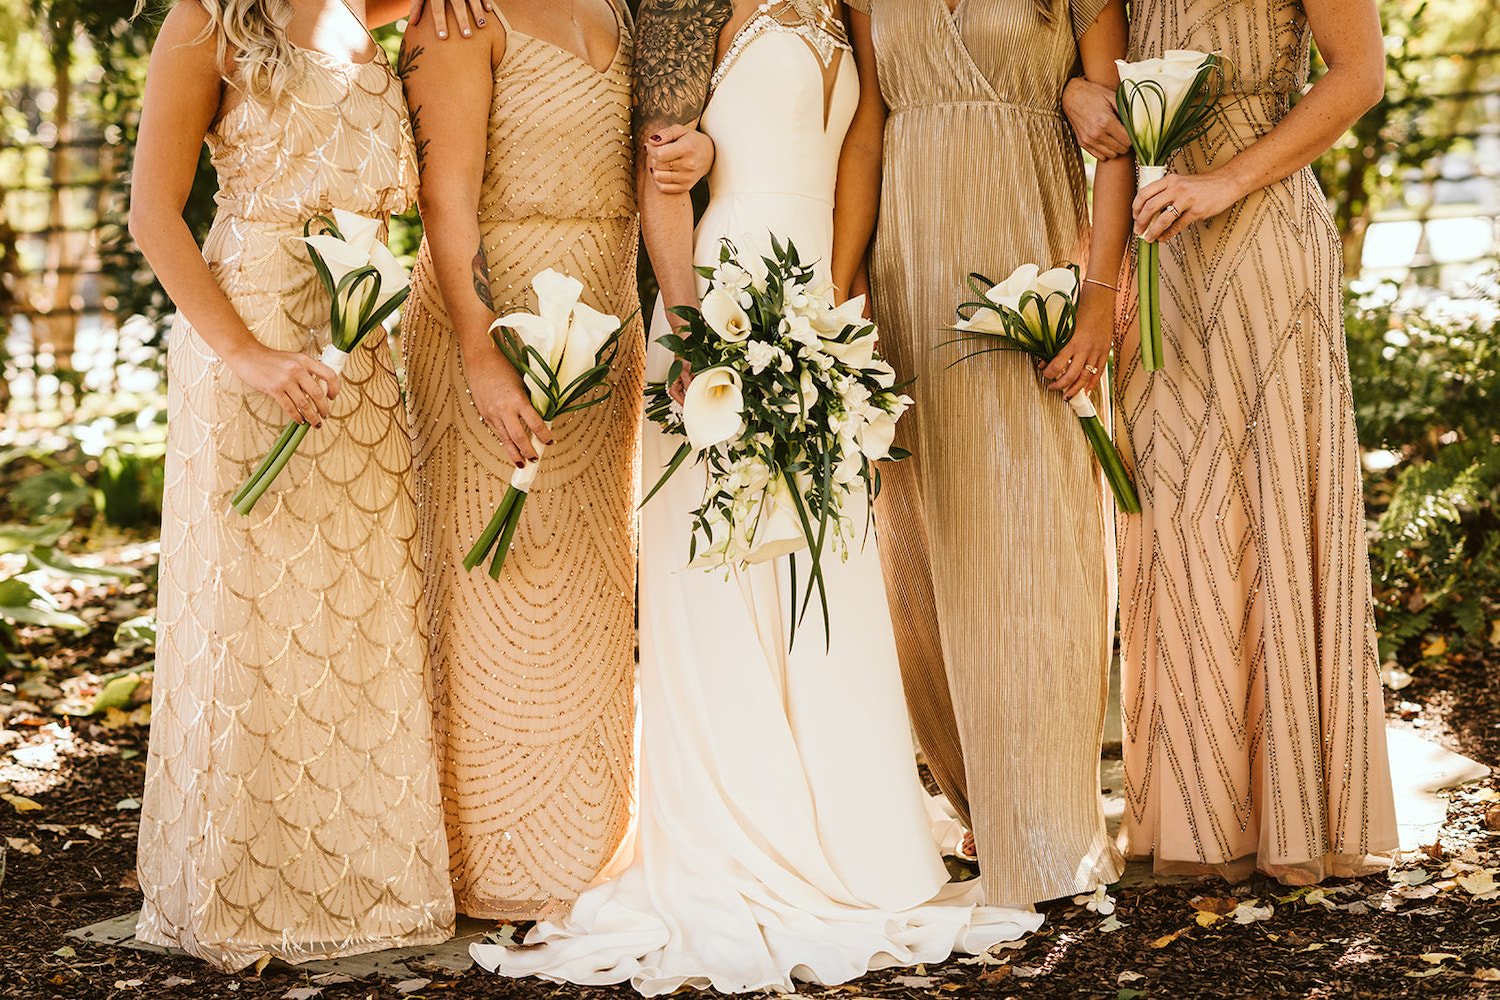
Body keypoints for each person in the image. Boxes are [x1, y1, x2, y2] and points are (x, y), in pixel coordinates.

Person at [470, 2, 1043, 993]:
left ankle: (859, 848)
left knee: (830, 598)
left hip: (816, 323)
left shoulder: (847, 6)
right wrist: (693, 333)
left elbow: (860, 141)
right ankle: (748, 841)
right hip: (719, 326)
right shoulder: (689, 13)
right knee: (733, 592)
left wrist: (842, 293)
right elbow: (658, 178)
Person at [129, 0, 454, 970]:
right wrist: (248, 354)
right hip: (251, 324)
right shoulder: (207, 20)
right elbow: (153, 215)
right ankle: (247, 888)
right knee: (253, 614)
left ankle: (372, 883)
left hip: (356, 329)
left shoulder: (382, 14)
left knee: (362, 606)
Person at [1066, 0, 1399, 882]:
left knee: (1273, 501)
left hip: (1262, 230)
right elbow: (1078, 58)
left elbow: (1360, 74)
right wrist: (1074, 91)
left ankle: (1298, 812)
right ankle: (1198, 816)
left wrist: (1228, 181)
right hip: (1154, 244)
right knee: (1173, 518)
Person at [845, 0, 1133, 904]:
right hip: (908, 271)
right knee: (929, 542)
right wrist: (844, 284)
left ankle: (1048, 817)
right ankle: (976, 799)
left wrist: (1096, 290)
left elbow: (1117, 139)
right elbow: (865, 128)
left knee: (1043, 540)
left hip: (1028, 261)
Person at [396, 0, 662, 918]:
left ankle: (588, 855)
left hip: (604, 323)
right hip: (496, 322)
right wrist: (480, 350)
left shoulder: (620, 13)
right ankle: (491, 866)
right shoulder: (464, 16)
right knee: (495, 586)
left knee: (590, 582)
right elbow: (443, 193)